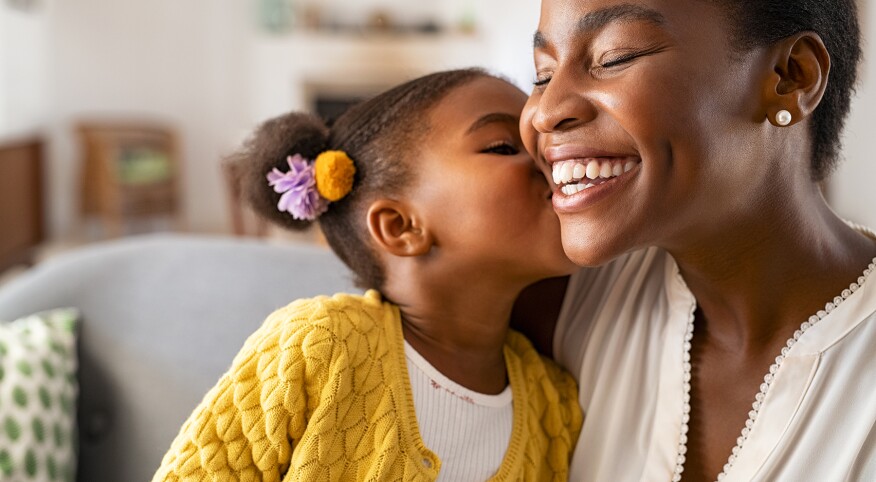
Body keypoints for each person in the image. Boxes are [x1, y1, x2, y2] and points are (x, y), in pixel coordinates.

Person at [152, 69, 582, 481]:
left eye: (542, 145)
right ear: (400, 226)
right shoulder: (318, 345)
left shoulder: (553, 405)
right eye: (504, 146)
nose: (553, 160)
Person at [515, 0, 876, 481]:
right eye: (542, 74)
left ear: (791, 77)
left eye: (614, 57)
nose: (545, 112)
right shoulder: (558, 305)